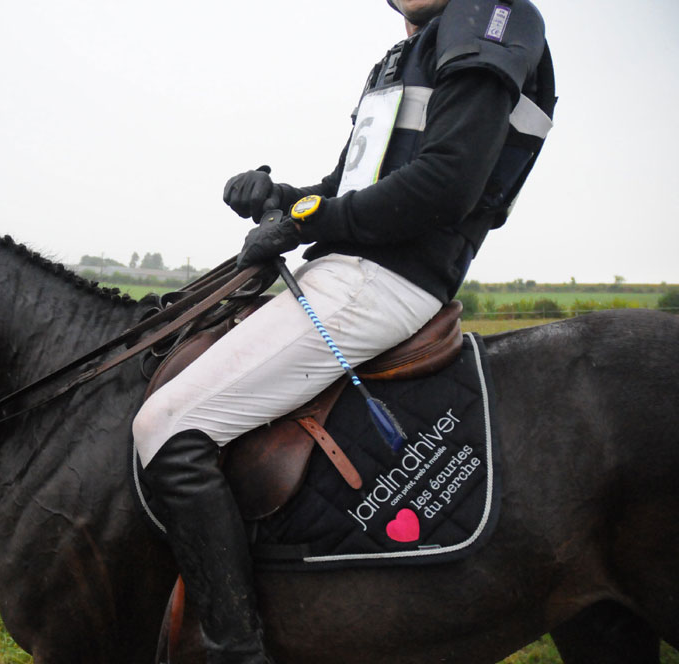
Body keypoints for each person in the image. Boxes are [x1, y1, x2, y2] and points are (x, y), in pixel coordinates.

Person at [133, 0, 554, 661]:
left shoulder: (485, 16)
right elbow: (349, 190)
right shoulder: (405, 55)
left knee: (164, 425)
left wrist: (308, 217)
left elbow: (444, 185)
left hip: (382, 280)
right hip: (347, 268)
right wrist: (283, 200)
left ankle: (237, 649)